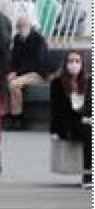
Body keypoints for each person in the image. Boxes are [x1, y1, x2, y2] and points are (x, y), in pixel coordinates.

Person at [50, 51, 91, 187]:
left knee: (88, 128)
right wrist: (53, 131)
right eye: (71, 61)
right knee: (88, 131)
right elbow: (55, 109)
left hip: (85, 121)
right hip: (67, 125)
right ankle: (88, 175)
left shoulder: (88, 82)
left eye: (77, 61)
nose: (74, 64)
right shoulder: (57, 83)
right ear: (65, 64)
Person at [7, 13, 49, 129]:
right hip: (22, 74)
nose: (22, 28)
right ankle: (6, 115)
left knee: (14, 84)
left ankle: (17, 118)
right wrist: (11, 72)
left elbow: (37, 62)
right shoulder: (17, 39)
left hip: (37, 73)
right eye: (19, 26)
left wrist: (17, 73)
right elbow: (14, 59)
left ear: (30, 26)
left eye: (24, 25)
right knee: (6, 81)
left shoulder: (38, 39)